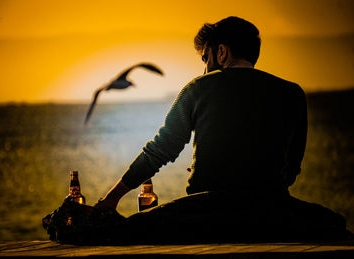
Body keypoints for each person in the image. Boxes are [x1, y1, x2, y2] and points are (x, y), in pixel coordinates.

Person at [93, 16, 349, 244]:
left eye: (206, 58)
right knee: (332, 221)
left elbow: (159, 150)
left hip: (205, 212)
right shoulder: (293, 93)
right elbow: (292, 166)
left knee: (126, 228)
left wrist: (112, 198)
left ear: (222, 52)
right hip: (272, 211)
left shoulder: (197, 88)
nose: (204, 67)